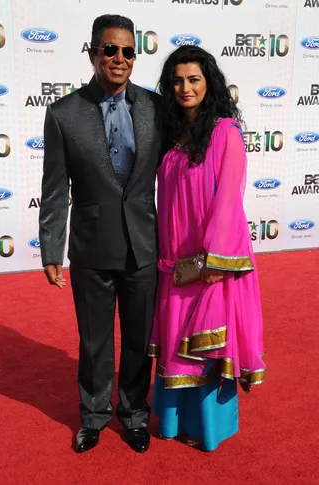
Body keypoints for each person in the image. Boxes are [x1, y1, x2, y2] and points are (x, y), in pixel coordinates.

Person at [39, 14, 162, 453]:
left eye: (128, 51)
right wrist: (51, 247)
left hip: (144, 246)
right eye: (110, 49)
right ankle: (92, 415)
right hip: (90, 249)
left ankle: (133, 415)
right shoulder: (64, 114)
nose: (120, 58)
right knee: (93, 342)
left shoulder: (155, 107)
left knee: (136, 339)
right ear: (92, 53)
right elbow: (54, 190)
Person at [148, 45, 265, 452]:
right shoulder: (172, 133)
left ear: (208, 82)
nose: (185, 87)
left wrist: (211, 263)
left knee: (204, 346)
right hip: (173, 265)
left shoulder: (225, 133)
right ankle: (173, 422)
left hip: (209, 264)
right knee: (176, 341)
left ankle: (210, 429)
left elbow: (229, 201)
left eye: (193, 79)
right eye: (177, 80)